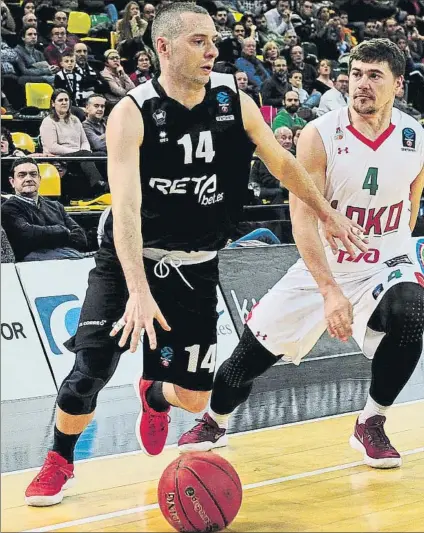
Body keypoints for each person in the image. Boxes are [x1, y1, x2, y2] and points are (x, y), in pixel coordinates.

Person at [24, 2, 366, 507]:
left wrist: (326, 212)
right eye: (198, 41)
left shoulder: (234, 100)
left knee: (195, 398)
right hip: (128, 260)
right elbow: (127, 210)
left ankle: (154, 392)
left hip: (195, 266)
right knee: (90, 372)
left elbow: (285, 166)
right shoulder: (131, 113)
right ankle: (59, 460)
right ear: (162, 46)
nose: (213, 50)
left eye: (213, 40)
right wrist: (137, 291)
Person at [178, 39, 424, 471]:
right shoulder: (319, 135)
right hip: (321, 267)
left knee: (413, 310)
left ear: (398, 84)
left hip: (384, 263)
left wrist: (396, 253)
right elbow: (303, 220)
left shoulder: (414, 136)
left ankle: (372, 421)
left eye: (374, 76)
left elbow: (411, 200)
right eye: (356, 74)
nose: (361, 84)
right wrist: (329, 290)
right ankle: (215, 420)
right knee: (240, 369)